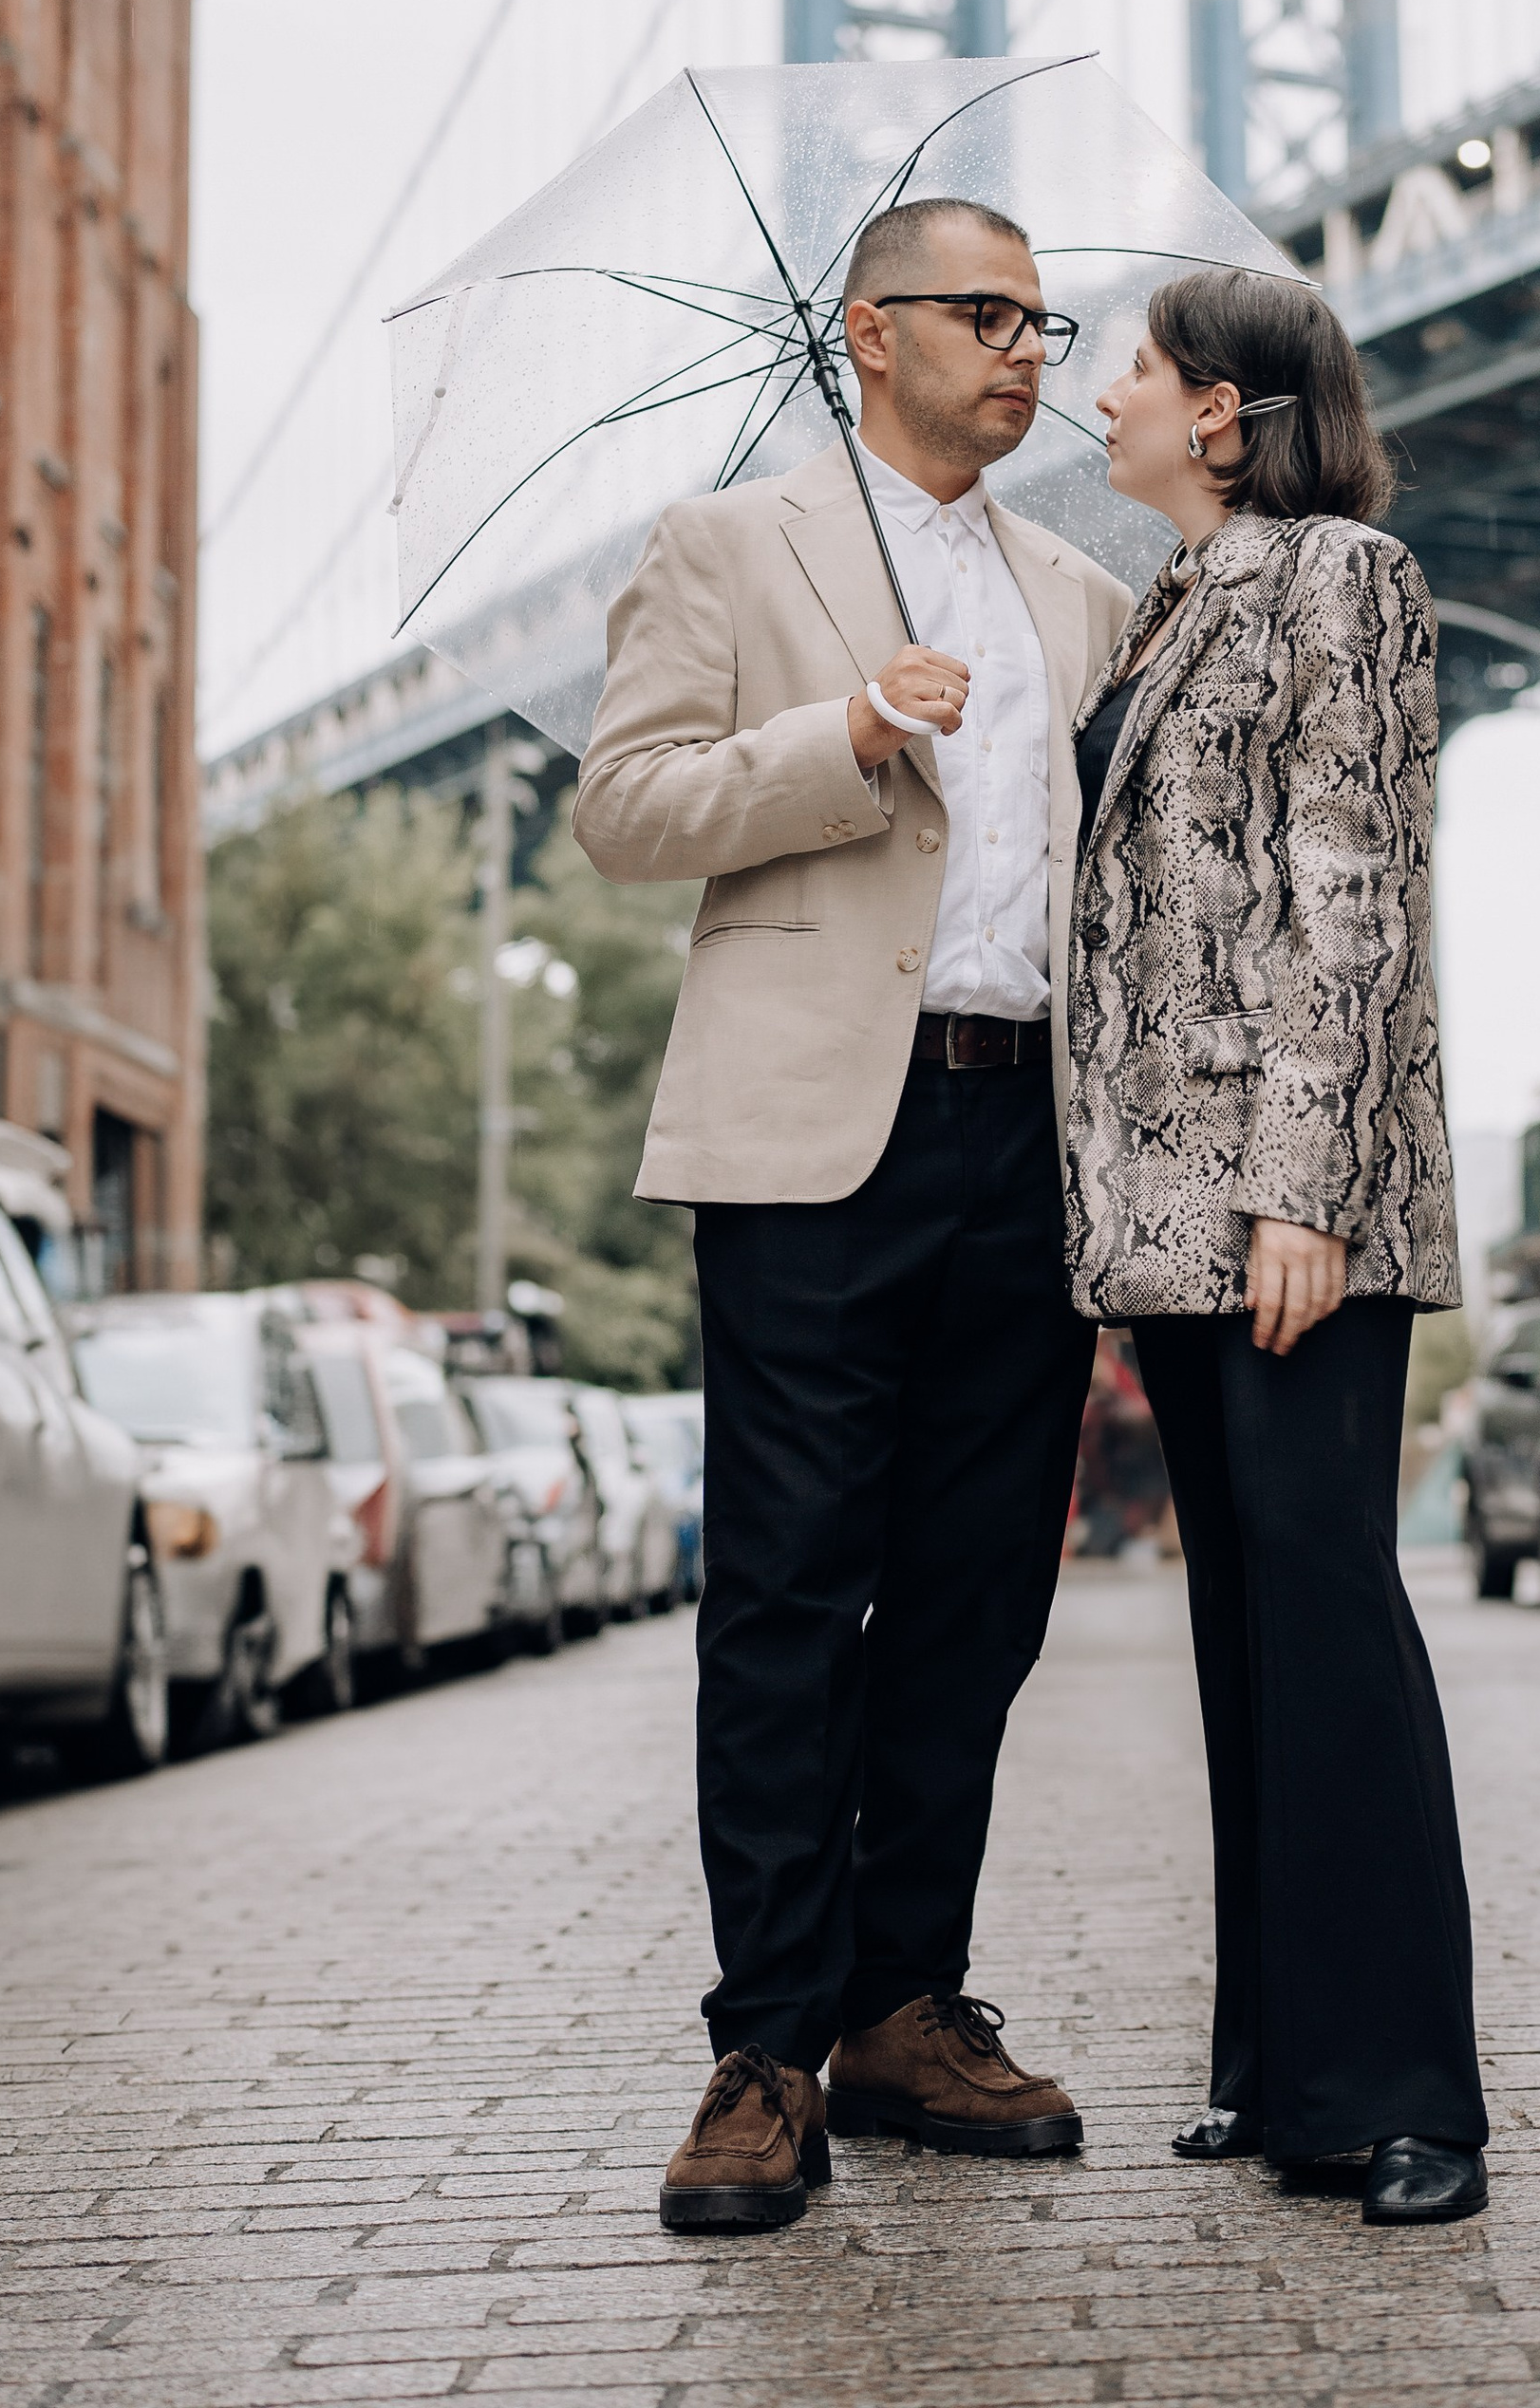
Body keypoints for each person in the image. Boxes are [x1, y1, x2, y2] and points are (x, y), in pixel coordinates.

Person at [573, 196, 1132, 2235]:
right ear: (863, 329)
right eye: (982, 314)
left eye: (1044, 322)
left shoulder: (1081, 591)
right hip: (814, 1139)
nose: (1025, 351)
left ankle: (903, 2007)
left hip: (1024, 1138)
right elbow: (623, 807)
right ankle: (761, 2048)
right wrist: (846, 734)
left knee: (977, 1599)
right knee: (793, 1593)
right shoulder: (729, 545)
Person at [1064, 264, 1490, 2229]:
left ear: (1221, 410)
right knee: (1241, 1624)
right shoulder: (1165, 606)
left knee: (1326, 1609)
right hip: (1173, 1214)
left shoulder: (1346, 576)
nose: (1100, 396)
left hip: (1289, 1205)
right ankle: (1273, 2060)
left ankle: (1406, 2095)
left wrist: (1300, 1186)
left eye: (1131, 370)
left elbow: (1349, 887)